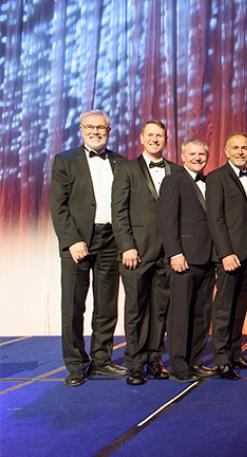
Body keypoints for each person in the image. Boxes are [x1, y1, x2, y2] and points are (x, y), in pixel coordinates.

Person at [50, 109, 127, 387]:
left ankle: (102, 360)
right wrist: (72, 240)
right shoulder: (64, 161)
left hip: (111, 241)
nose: (95, 132)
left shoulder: (120, 162)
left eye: (101, 128)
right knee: (73, 305)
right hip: (78, 243)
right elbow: (58, 207)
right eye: (90, 127)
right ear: (81, 129)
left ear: (109, 130)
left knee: (106, 305)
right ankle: (75, 365)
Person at [111, 120, 180, 385]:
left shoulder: (175, 170)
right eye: (150, 135)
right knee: (136, 310)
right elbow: (119, 212)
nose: (155, 139)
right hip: (136, 253)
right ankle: (135, 364)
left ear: (166, 139)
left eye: (159, 135)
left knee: (160, 310)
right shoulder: (126, 169)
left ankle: (154, 359)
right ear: (141, 138)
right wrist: (127, 245)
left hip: (167, 253)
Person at [206, 133, 247, 380]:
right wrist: (226, 252)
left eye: (244, 148)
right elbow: (215, 219)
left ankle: (236, 352)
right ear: (227, 151)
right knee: (224, 307)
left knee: (240, 305)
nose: (240, 151)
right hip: (230, 252)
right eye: (235, 148)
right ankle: (221, 360)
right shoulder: (216, 178)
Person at [158, 139, 215, 383]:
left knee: (202, 313)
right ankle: (179, 365)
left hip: (207, 257)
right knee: (180, 314)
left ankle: (195, 360)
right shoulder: (173, 180)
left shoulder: (210, 181)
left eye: (202, 154)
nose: (198, 158)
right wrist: (175, 253)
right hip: (184, 258)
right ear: (183, 156)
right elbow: (167, 220)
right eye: (192, 154)